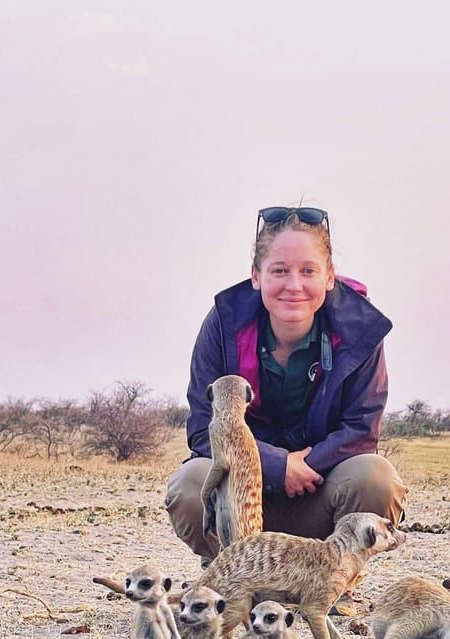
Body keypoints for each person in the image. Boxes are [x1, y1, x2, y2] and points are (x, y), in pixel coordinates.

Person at [165, 205, 408, 616]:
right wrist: (279, 466)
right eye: (279, 270)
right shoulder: (223, 324)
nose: (294, 285)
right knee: (190, 481)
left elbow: (361, 429)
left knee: (377, 478)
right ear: (256, 275)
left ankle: (334, 582)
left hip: (319, 498)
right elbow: (202, 430)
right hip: (242, 504)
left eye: (308, 271)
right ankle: (232, 573)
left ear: (329, 277)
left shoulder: (361, 330)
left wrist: (305, 464)